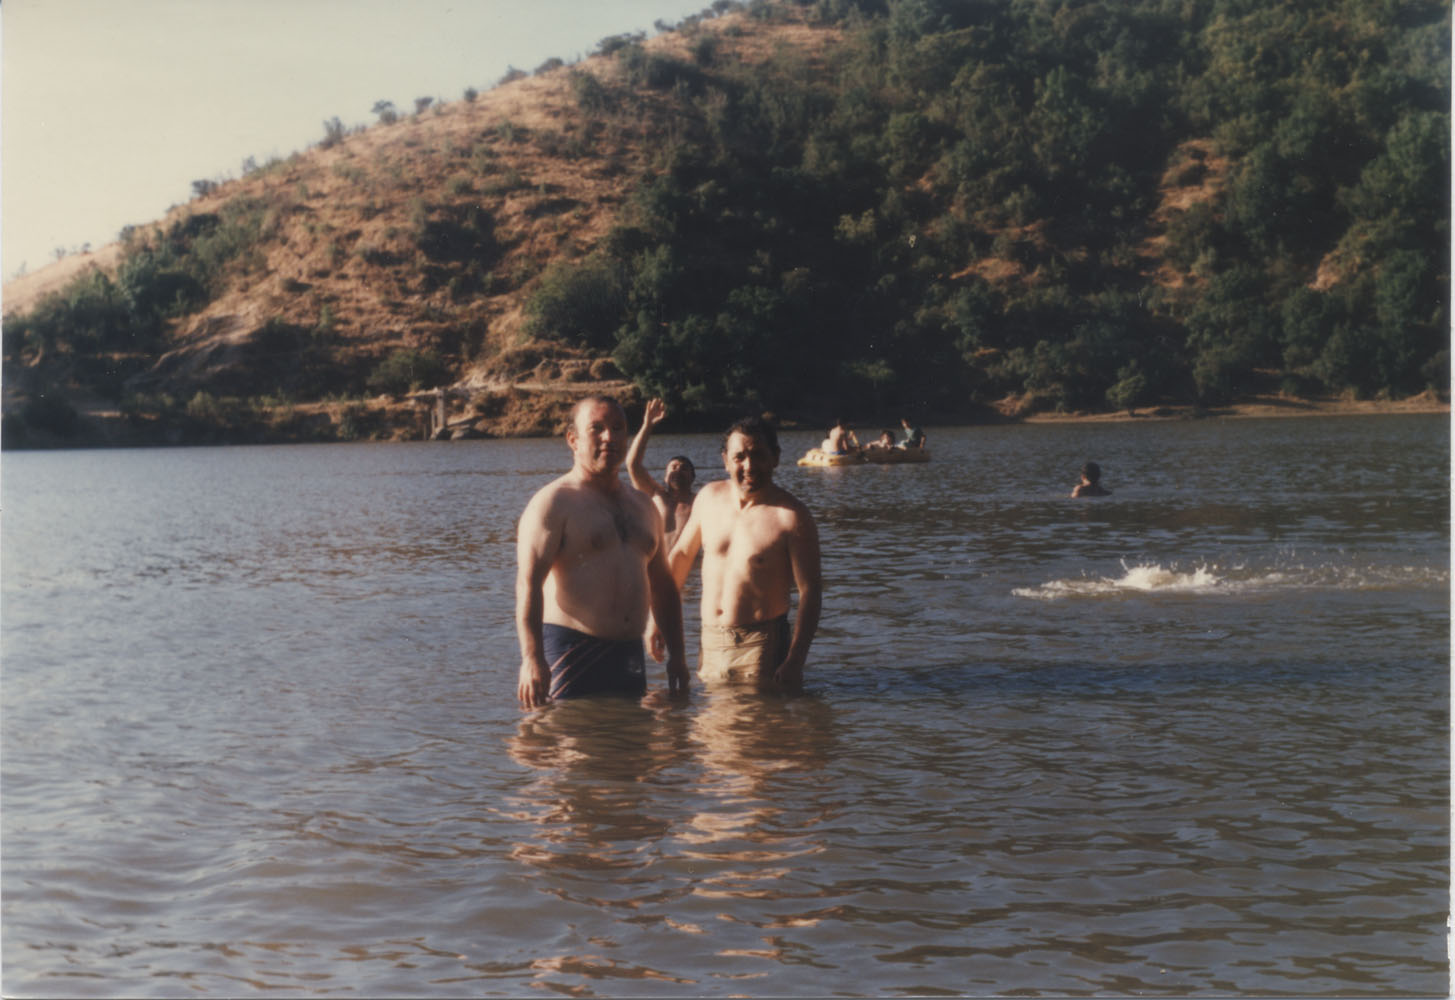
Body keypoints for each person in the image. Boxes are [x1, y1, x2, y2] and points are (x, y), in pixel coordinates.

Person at [515, 395, 688, 708]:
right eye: (597, 429)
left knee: (632, 750)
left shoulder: (643, 506)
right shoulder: (554, 502)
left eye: (618, 428)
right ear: (574, 440)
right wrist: (531, 659)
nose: (610, 437)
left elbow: (662, 586)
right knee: (572, 749)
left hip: (629, 654)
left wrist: (678, 656)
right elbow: (528, 584)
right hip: (572, 652)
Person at [666, 415, 822, 693]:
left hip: (760, 644)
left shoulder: (792, 517)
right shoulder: (708, 498)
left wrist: (796, 660)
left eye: (758, 455)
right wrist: (656, 619)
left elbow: (811, 592)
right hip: (710, 639)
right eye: (740, 457)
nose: (749, 466)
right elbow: (680, 556)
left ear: (775, 458)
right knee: (713, 729)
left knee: (754, 730)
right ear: (726, 460)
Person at [625, 397, 697, 551]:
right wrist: (647, 425)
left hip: (688, 571)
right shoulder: (656, 496)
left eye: (684, 468)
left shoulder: (699, 502)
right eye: (674, 467)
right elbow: (632, 464)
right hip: (656, 568)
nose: (678, 470)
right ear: (665, 476)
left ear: (692, 477)